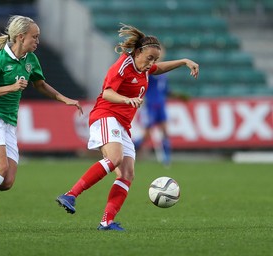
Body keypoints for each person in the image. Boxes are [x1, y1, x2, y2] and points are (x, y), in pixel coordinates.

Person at [0, 15, 83, 234]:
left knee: (6, 182)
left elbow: (40, 84)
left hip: (9, 122)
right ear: (20, 37)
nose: (38, 41)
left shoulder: (31, 60)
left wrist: (63, 98)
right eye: (34, 37)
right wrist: (9, 88)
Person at [56, 23, 199, 231]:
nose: (152, 63)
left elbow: (159, 69)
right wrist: (127, 99)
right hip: (106, 116)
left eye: (155, 59)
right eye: (149, 58)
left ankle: (106, 222)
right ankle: (70, 195)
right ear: (138, 51)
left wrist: (184, 61)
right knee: (114, 159)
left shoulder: (146, 69)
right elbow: (106, 93)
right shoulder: (123, 65)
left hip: (122, 124)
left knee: (127, 174)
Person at [134, 48, 190, 166]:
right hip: (151, 105)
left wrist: (178, 96)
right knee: (147, 135)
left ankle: (167, 158)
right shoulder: (149, 70)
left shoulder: (163, 72)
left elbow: (165, 90)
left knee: (165, 131)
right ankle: (131, 150)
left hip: (161, 105)